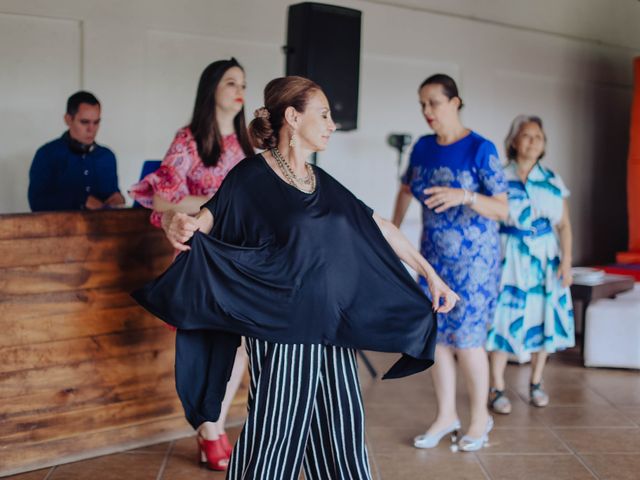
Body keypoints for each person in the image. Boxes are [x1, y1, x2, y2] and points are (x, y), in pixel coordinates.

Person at [133, 75, 459, 479]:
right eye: (323, 114)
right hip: (279, 330)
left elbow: (380, 226)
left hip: (333, 329)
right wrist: (172, 223)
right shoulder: (249, 177)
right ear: (292, 116)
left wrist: (430, 274)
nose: (331, 124)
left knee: (342, 435)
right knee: (275, 437)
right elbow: (201, 221)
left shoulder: (321, 182)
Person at [129, 58, 255, 471]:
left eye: (243, 83)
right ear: (211, 89)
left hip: (238, 259)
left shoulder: (246, 144)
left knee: (239, 348)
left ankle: (212, 427)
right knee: (202, 346)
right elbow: (161, 202)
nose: (239, 89)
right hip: (200, 257)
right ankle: (211, 433)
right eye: (230, 82)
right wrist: (212, 206)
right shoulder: (188, 140)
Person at [391, 74, 508, 452]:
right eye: (422, 104)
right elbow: (407, 187)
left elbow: (505, 209)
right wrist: (392, 230)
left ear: (455, 102)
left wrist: (466, 196)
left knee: (468, 342)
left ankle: (478, 419)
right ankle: (446, 415)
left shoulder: (480, 148)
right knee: (437, 339)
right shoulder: (423, 147)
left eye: (434, 103)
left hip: (475, 263)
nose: (427, 111)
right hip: (433, 258)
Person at [486, 115, 574, 414]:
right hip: (508, 254)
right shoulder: (498, 176)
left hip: (545, 258)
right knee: (503, 318)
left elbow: (564, 225)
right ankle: (496, 385)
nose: (533, 141)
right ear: (514, 141)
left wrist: (567, 262)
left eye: (539, 136)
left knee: (543, 317)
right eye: (526, 135)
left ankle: (536, 382)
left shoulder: (553, 181)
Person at [28, 91, 125, 211]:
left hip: (101, 228)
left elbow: (112, 194)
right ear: (68, 119)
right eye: (84, 122)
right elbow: (36, 202)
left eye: (96, 122)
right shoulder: (47, 154)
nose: (91, 129)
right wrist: (81, 200)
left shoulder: (107, 156)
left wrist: (117, 198)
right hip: (60, 228)